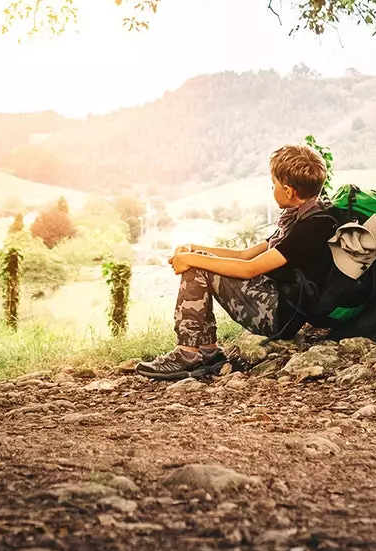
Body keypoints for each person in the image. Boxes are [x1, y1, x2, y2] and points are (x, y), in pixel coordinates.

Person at [135, 144, 337, 381]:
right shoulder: (303, 217)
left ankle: (188, 353)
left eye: (273, 185)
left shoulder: (310, 229)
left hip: (279, 316)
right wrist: (195, 249)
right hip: (276, 301)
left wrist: (191, 259)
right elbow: (245, 255)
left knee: (198, 267)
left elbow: (249, 269)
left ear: (288, 190)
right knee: (200, 262)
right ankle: (207, 351)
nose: (271, 189)